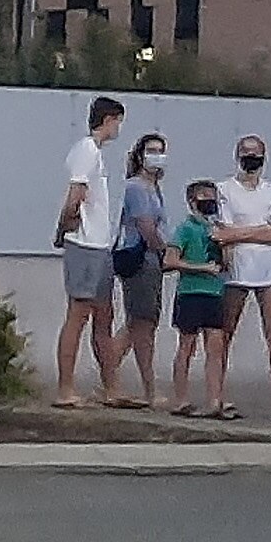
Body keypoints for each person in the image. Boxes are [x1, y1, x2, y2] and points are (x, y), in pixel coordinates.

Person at [211, 134, 271, 425]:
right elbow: (222, 232)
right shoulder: (224, 190)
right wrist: (261, 231)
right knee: (225, 333)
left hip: (269, 270)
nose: (251, 158)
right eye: (246, 152)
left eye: (256, 153)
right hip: (236, 270)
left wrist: (241, 233)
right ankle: (218, 397)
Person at [53, 95, 126, 409]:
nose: (118, 128)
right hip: (84, 244)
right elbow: (76, 196)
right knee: (78, 315)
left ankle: (111, 387)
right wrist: (63, 230)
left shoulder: (95, 153)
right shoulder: (86, 150)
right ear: (108, 120)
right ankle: (65, 388)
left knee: (103, 316)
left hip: (99, 244)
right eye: (118, 121)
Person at [109, 129, 171, 407]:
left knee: (142, 324)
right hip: (141, 260)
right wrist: (165, 251)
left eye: (160, 151)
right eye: (151, 151)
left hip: (151, 262)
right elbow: (146, 226)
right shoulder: (136, 187)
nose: (156, 157)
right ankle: (129, 383)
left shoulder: (153, 188)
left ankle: (135, 384)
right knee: (140, 323)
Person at [164, 176, 235, 418]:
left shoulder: (215, 229)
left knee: (215, 347)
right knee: (187, 345)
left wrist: (225, 242)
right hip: (190, 293)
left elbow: (226, 264)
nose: (210, 202)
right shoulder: (185, 228)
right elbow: (170, 260)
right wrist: (200, 268)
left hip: (214, 293)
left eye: (213, 197)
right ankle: (180, 399)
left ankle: (214, 400)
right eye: (204, 197)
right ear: (192, 201)